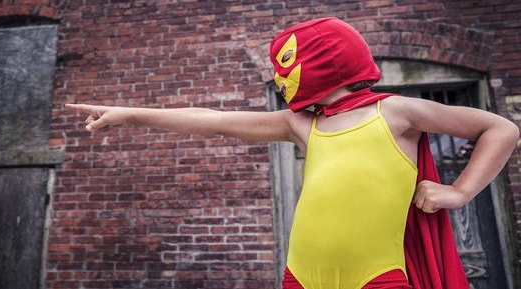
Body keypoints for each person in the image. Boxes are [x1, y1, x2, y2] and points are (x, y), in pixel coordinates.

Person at [66, 18, 519, 289]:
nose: (281, 83)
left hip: (377, 278)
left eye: (285, 71)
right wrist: (129, 114)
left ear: (323, 63)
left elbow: (498, 128)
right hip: (301, 277)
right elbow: (212, 119)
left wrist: (458, 193)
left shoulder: (396, 111)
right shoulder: (303, 125)